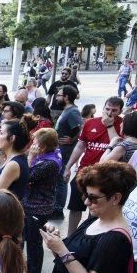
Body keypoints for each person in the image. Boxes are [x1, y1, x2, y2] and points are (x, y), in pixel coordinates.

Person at [63, 97, 123, 236]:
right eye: (107, 109)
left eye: (114, 110)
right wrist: (68, 167)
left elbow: (118, 145)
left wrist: (109, 126)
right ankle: (70, 236)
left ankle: (90, 235)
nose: (110, 113)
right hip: (84, 172)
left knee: (96, 209)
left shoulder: (121, 125)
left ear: (119, 111)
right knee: (75, 207)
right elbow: (80, 146)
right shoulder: (91, 123)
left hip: (105, 176)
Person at [23, 128, 61, 273]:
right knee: (32, 237)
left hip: (38, 207)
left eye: (36, 142)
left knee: (33, 241)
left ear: (43, 147)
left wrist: (30, 156)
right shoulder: (49, 155)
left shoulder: (49, 163)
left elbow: (26, 177)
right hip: (34, 204)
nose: (33, 144)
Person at [52, 84, 82, 219]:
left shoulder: (73, 111)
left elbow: (81, 127)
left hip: (65, 152)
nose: (56, 97)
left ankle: (58, 210)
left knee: (61, 180)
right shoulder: (67, 110)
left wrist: (72, 139)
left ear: (67, 97)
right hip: (59, 150)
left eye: (59, 95)